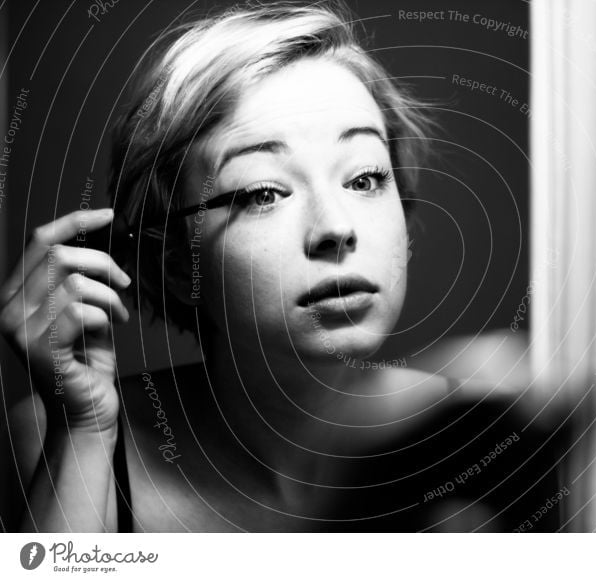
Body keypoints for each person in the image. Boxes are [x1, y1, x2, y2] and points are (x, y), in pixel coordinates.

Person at [0, 1, 557, 532]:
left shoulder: (486, 437)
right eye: (264, 192)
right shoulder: (64, 435)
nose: (336, 228)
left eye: (364, 179)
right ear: (175, 263)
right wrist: (84, 430)